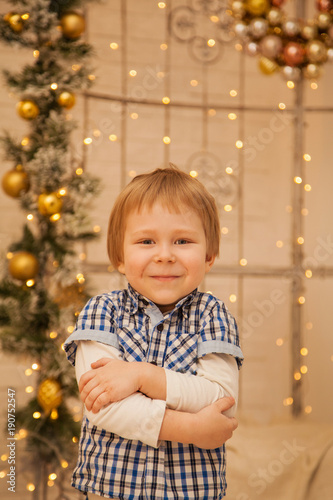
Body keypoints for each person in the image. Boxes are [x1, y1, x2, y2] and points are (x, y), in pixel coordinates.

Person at [64, 165, 244, 500]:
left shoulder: (214, 315)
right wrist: (190, 428)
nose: (164, 255)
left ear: (209, 256)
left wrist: (142, 377)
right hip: (111, 491)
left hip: (190, 492)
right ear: (120, 256)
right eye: (146, 241)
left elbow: (220, 400)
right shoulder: (102, 312)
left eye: (183, 240)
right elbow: (102, 406)